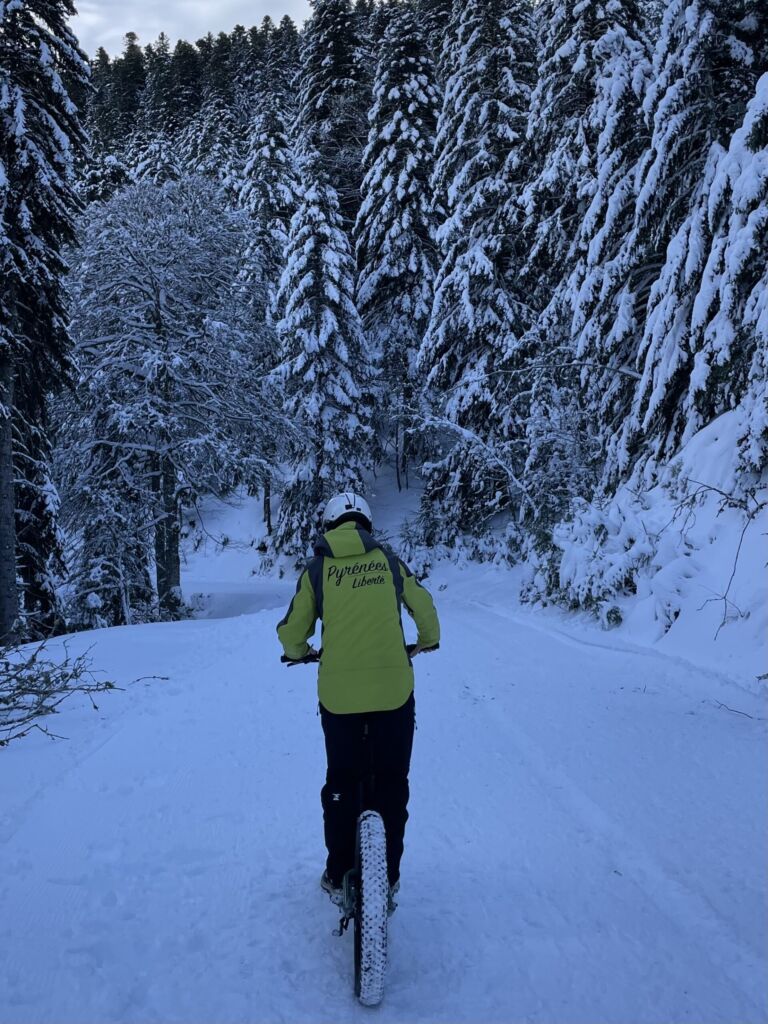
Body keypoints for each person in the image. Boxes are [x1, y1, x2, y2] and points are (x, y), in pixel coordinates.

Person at [277, 492, 440, 905]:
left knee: (342, 781)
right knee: (392, 783)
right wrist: (426, 642)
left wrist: (299, 653)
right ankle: (388, 877)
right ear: (367, 525)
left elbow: (293, 630)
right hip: (393, 693)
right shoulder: (388, 562)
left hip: (339, 697)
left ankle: (337, 873)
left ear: (330, 526)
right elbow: (423, 607)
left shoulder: (317, 569)